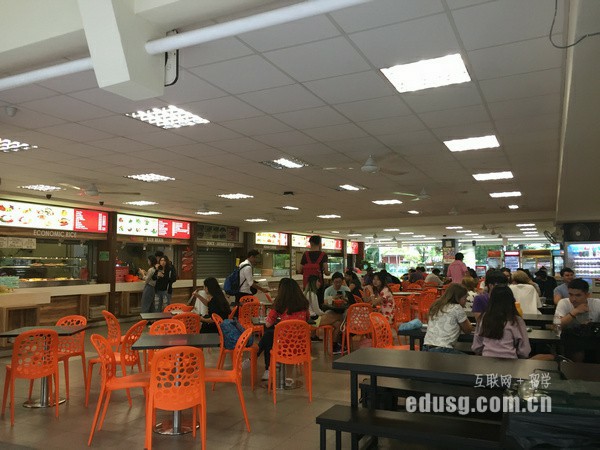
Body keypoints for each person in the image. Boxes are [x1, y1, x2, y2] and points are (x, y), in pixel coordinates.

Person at [258, 278, 309, 380]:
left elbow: (267, 324)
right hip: (301, 344)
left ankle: (267, 366)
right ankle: (288, 378)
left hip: (284, 345)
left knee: (268, 336)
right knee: (270, 336)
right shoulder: (304, 304)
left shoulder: (279, 305)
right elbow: (307, 319)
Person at [472, 286, 531, 359]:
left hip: (486, 360)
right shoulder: (516, 320)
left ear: (491, 300)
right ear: (511, 300)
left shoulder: (484, 318)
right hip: (510, 361)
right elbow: (525, 351)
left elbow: (476, 347)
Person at [555, 278, 600, 362]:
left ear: (587, 295)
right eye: (571, 295)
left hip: (593, 338)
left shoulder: (596, 303)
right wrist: (574, 312)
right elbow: (557, 326)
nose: (573, 299)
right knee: (576, 347)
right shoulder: (564, 302)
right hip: (572, 339)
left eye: (578, 295)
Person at [423, 284, 473, 353]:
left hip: (426, 348)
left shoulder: (436, 305)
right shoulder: (457, 308)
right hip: (443, 349)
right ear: (457, 298)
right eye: (464, 298)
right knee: (469, 359)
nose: (466, 301)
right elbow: (468, 330)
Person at [321, 272, 349, 354]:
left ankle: (334, 346)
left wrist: (344, 299)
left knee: (340, 322)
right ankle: (335, 345)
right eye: (336, 282)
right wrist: (333, 298)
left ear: (342, 281)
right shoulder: (328, 290)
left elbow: (351, 301)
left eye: (340, 282)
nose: (338, 284)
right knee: (339, 323)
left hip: (343, 311)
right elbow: (325, 302)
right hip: (331, 311)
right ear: (332, 281)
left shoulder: (346, 289)